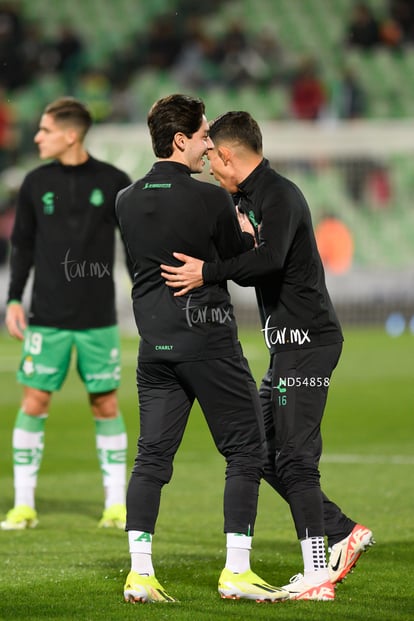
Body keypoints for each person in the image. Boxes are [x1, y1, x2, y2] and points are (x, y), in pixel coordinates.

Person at [160, 111, 374, 601]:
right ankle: (341, 531)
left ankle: (318, 575)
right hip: (286, 343)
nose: (209, 164)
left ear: (228, 154)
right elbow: (248, 257)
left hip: (309, 342)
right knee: (253, 449)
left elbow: (269, 259)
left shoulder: (280, 195)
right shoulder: (244, 198)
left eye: (211, 154)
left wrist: (208, 272)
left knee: (296, 457)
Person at [115, 94, 289, 604]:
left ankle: (140, 574)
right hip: (208, 340)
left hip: (155, 346)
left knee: (151, 458)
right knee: (246, 451)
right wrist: (243, 232)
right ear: (180, 140)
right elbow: (242, 262)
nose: (209, 144)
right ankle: (237, 570)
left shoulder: (126, 199)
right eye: (204, 135)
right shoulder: (211, 199)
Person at [1, 97, 132, 531]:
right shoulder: (35, 183)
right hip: (48, 316)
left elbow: (133, 247)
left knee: (105, 403)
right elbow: (21, 246)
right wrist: (14, 298)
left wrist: (149, 297)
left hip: (97, 318)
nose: (36, 136)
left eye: (44, 129)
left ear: (70, 134)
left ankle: (116, 504)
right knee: (34, 401)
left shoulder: (114, 181)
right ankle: (23, 505)